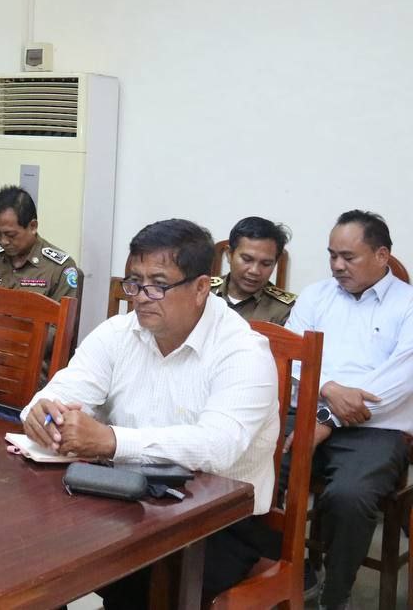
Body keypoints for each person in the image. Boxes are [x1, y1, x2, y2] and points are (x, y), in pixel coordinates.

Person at [22, 219, 279, 608]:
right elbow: (59, 394)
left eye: (158, 284)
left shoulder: (243, 351)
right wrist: (44, 414)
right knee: (33, 550)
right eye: (134, 282)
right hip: (128, 498)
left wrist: (111, 441)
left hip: (219, 521)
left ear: (200, 288)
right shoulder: (118, 333)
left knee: (135, 582)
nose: (141, 297)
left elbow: (218, 446)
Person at [286, 210, 413, 610]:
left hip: (377, 431)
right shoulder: (315, 295)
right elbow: (291, 357)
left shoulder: (408, 305)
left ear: (381, 255)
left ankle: (334, 596)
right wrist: (328, 388)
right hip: (307, 411)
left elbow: (397, 383)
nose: (337, 266)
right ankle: (283, 571)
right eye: (332, 255)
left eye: (348, 256)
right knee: (247, 468)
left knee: (350, 497)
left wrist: (328, 419)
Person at [0, 185, 81, 302]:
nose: (3, 241)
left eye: (11, 235)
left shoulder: (59, 269)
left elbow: (63, 313)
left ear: (33, 226)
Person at [211, 216, 295, 325]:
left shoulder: (285, 310)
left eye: (266, 264)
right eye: (247, 259)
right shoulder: (202, 291)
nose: (254, 271)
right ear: (229, 254)